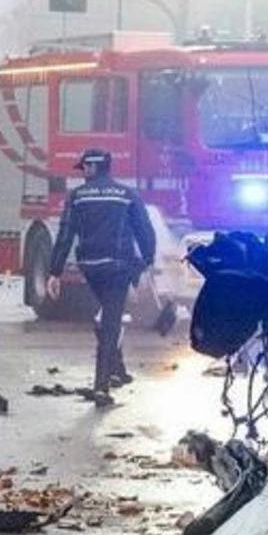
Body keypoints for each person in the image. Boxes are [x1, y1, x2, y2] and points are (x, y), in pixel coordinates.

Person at [46, 148, 156, 401]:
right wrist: (146, 263)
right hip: (119, 267)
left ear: (92, 168)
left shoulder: (77, 197)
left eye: (84, 168)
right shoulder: (127, 195)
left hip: (91, 267)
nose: (83, 173)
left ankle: (117, 371)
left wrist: (55, 272)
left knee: (106, 316)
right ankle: (101, 385)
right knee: (110, 323)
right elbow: (145, 231)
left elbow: (65, 235)